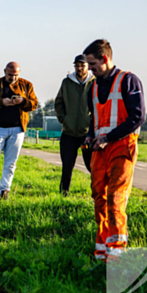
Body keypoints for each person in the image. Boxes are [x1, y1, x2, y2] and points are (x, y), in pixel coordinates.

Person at [83, 40, 145, 261]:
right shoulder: (93, 86)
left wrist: (108, 138)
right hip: (99, 150)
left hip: (121, 147)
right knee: (98, 198)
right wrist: (91, 135)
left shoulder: (128, 80)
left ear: (105, 59)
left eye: (92, 64)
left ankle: (117, 252)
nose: (89, 69)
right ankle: (102, 251)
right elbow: (95, 119)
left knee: (115, 197)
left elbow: (138, 117)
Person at [0, 61, 38, 201]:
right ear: (5, 71)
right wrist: (0, 102)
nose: (13, 78)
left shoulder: (27, 85)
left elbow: (34, 104)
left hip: (17, 129)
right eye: (10, 75)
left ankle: (5, 190)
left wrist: (22, 101)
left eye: (16, 75)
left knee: (11, 162)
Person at [55, 54, 94, 195]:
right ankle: (64, 193)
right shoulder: (66, 82)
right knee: (67, 165)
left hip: (88, 133)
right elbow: (58, 102)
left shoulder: (94, 82)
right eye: (77, 66)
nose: (79, 68)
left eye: (82, 66)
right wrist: (64, 119)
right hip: (69, 132)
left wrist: (93, 124)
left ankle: (96, 193)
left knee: (92, 166)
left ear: (87, 67)